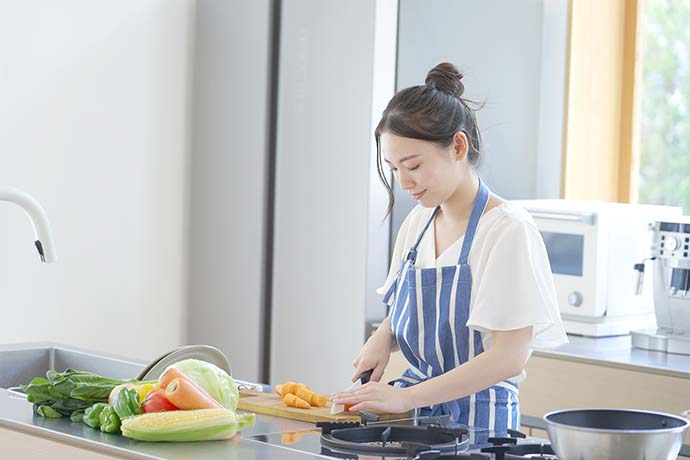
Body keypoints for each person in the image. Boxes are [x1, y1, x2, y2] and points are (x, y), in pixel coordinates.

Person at [331, 62, 568, 433]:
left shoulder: (506, 230)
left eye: (413, 165)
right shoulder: (418, 224)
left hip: (478, 429)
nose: (404, 182)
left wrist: (407, 397)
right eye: (394, 169)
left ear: (458, 146)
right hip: (417, 427)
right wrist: (384, 335)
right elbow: (414, 311)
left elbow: (509, 356)